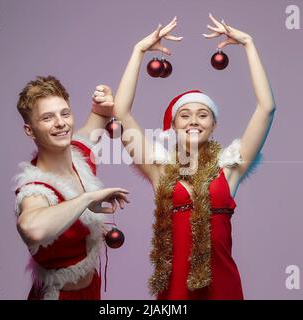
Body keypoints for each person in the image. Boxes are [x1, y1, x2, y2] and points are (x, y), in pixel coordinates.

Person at [113, 15, 276, 299]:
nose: (194, 121)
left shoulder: (229, 170)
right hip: (174, 289)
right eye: (184, 116)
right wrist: (139, 51)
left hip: (222, 286)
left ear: (213, 125)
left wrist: (249, 45)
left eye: (203, 115)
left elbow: (266, 109)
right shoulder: (160, 171)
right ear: (174, 126)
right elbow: (122, 114)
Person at [13, 75, 129, 300]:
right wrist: (87, 198)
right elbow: (32, 230)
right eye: (47, 118)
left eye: (65, 113)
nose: (60, 123)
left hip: (91, 289)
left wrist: (139, 51)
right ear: (30, 130)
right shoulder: (35, 189)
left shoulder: (79, 155)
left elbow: (104, 113)